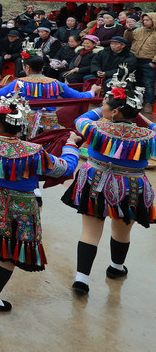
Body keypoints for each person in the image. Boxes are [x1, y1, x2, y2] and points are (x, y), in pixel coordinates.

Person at [0, 98, 80, 312]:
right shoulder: (34, 151)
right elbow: (65, 168)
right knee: (9, 251)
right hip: (18, 207)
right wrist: (70, 144)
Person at [61, 70, 156, 296]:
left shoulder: (95, 127)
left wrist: (103, 111)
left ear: (113, 112)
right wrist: (139, 117)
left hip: (95, 181)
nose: (101, 105)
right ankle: (116, 267)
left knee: (90, 231)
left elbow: (81, 120)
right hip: (131, 186)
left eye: (105, 103)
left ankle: (82, 279)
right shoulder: (147, 137)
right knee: (122, 231)